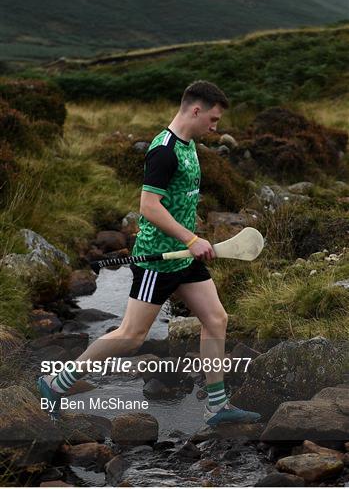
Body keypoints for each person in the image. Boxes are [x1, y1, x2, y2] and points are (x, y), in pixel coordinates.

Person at [37, 80, 261, 425]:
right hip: (158, 260)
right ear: (196, 110)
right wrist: (190, 239)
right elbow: (149, 206)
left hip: (184, 258)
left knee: (216, 319)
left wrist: (190, 243)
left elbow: (176, 202)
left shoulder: (189, 146)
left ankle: (217, 406)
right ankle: (54, 383)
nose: (216, 127)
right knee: (130, 336)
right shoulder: (164, 150)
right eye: (213, 119)